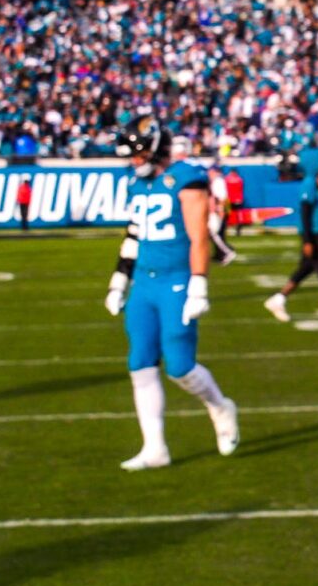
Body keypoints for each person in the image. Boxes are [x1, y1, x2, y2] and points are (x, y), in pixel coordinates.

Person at [100, 121, 240, 468]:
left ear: (157, 147)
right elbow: (133, 235)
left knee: (180, 367)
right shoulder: (136, 184)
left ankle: (220, 407)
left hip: (176, 280)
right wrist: (119, 280)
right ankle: (155, 448)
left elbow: (198, 237)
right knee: (140, 364)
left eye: (138, 153)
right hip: (144, 283)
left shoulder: (185, 178)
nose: (134, 161)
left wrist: (198, 285)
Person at [262, 167, 318, 321]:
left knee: (307, 268)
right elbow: (306, 212)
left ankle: (279, 299)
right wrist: (308, 240)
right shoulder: (310, 186)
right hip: (315, 233)